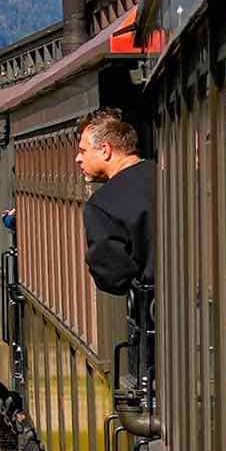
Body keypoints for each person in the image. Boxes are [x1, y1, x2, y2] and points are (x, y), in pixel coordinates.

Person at [77, 108, 156, 422]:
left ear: (106, 150)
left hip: (152, 331)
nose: (78, 159)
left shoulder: (104, 204)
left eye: (83, 151)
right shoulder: (172, 176)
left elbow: (112, 277)